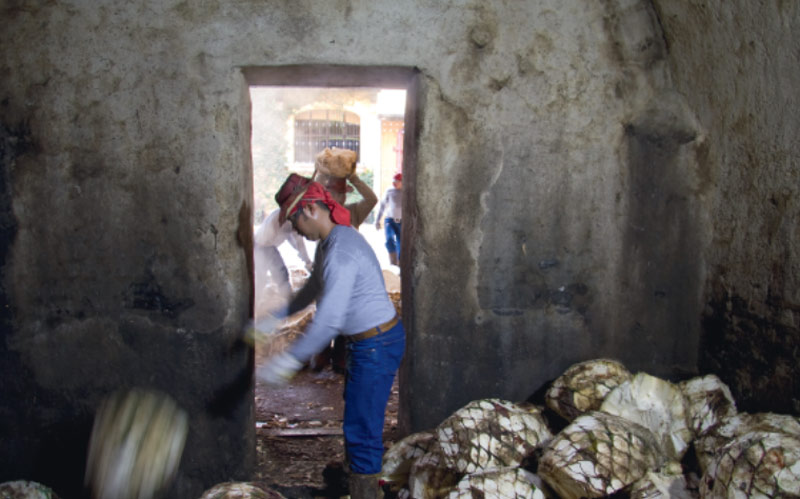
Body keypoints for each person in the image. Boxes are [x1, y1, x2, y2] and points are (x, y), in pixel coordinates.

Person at [257, 173, 404, 499]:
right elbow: (312, 289)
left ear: (310, 210)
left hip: (376, 344)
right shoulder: (331, 242)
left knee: (362, 427)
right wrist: (272, 319)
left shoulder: (340, 252)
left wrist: (287, 361)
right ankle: (357, 479)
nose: (293, 229)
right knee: (357, 416)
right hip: (367, 343)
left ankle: (366, 490)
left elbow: (328, 323)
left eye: (293, 221)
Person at [253, 207, 313, 302]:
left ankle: (256, 300)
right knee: (279, 273)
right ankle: (287, 298)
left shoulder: (288, 218)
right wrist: (308, 263)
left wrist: (308, 263)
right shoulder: (285, 219)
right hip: (263, 245)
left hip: (262, 244)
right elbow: (297, 242)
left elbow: (297, 242)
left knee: (264, 277)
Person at [375, 172, 403, 266]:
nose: (394, 183)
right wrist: (377, 220)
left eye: (397, 181)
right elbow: (382, 206)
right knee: (389, 239)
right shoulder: (389, 191)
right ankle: (393, 261)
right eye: (393, 181)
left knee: (401, 242)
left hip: (402, 222)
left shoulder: (407, 192)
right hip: (390, 220)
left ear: (402, 182)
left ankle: (400, 263)